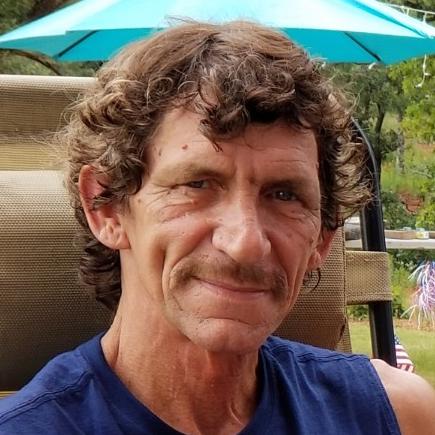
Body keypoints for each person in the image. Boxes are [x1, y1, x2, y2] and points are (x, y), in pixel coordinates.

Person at [0, 20, 434, 435]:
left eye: (285, 195)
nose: (245, 242)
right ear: (107, 206)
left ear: (322, 237)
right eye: (197, 184)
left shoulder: (396, 416)